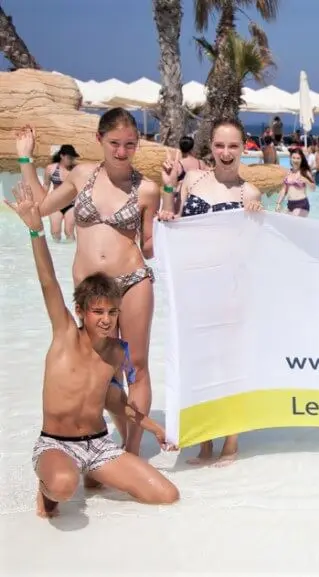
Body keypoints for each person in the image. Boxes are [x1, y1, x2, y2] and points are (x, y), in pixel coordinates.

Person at [3, 182, 179, 518]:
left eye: (112, 312)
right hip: (56, 443)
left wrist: (154, 429)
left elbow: (115, 400)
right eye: (98, 312)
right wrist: (36, 231)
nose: (106, 319)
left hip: (98, 446)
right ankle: (47, 487)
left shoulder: (116, 352)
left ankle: (93, 475)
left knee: (166, 496)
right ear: (82, 311)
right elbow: (48, 282)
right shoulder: (65, 333)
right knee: (64, 486)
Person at [16, 109, 162, 457]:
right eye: (115, 143)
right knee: (104, 367)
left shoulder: (147, 189)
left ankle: (131, 450)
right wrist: (25, 157)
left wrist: (169, 210)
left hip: (133, 281)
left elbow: (149, 247)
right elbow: (42, 207)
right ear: (99, 140)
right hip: (91, 291)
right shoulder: (81, 175)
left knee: (136, 367)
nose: (122, 151)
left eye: (130, 144)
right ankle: (107, 439)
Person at [159, 118, 263, 466]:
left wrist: (256, 214)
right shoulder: (190, 181)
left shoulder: (249, 193)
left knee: (228, 364)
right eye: (219, 145)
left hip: (231, 290)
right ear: (211, 147)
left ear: (243, 147)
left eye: (233, 146)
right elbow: (169, 217)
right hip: (194, 287)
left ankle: (231, 441)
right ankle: (203, 440)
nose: (226, 152)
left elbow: (256, 246)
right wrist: (168, 189)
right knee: (199, 362)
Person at [43, 144, 80, 242]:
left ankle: (70, 254)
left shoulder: (77, 170)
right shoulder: (51, 169)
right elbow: (46, 186)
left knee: (69, 231)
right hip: (55, 204)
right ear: (62, 156)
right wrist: (41, 201)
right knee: (55, 231)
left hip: (71, 205)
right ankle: (56, 254)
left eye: (73, 157)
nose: (71, 159)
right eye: (69, 157)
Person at [274, 148, 315, 217]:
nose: (295, 160)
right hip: (290, 204)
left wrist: (307, 181)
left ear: (301, 159)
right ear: (290, 158)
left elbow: (313, 189)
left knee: (293, 224)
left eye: (298, 158)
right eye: (294, 158)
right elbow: (284, 190)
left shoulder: (305, 172)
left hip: (301, 204)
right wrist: (278, 203)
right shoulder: (288, 172)